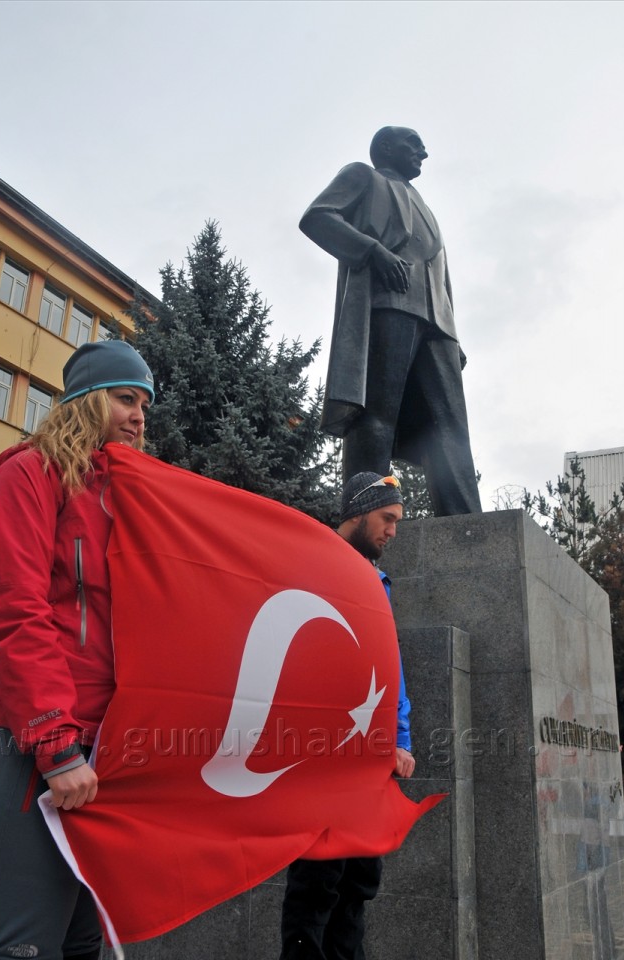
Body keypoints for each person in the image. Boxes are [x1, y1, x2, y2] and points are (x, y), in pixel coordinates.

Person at [0, 340, 155, 960]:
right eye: (125, 398)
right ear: (84, 401)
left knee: (85, 945)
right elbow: (15, 611)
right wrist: (55, 745)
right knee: (22, 946)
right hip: (38, 744)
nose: (140, 416)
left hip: (109, 748)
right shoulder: (27, 474)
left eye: (145, 404)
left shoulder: (128, 495)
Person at [300, 126, 482, 517]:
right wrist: (373, 251)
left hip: (438, 324)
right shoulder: (363, 176)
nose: (424, 153)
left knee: (451, 429)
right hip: (389, 304)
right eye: (413, 145)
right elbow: (317, 217)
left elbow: (440, 272)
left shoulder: (425, 206)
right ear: (386, 147)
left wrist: (452, 331)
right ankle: (365, 517)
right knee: (376, 419)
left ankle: (468, 527)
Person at [279, 472, 414, 960]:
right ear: (357, 513)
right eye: (387, 519)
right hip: (324, 760)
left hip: (372, 763)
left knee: (358, 888)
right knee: (317, 887)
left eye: (398, 521)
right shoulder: (314, 566)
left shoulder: (376, 580)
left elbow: (389, 670)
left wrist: (402, 740)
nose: (393, 531)